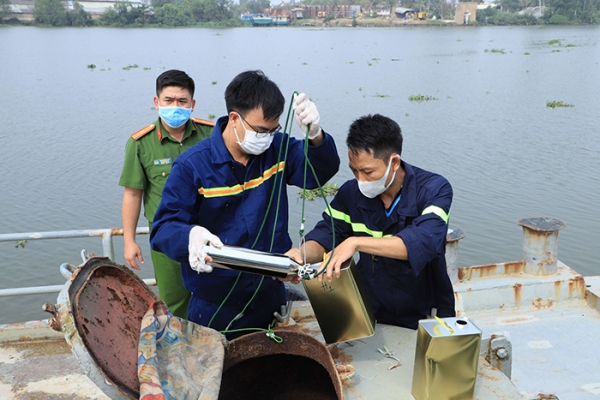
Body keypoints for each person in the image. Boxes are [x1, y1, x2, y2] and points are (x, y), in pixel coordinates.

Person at [150, 70, 340, 338]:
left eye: (273, 131)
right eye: (261, 131)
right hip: (216, 304)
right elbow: (163, 230)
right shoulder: (192, 166)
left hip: (270, 293)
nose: (266, 138)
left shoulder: (277, 150)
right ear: (234, 119)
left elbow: (318, 173)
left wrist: (316, 137)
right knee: (218, 373)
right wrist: (189, 235)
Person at [289, 114, 455, 329]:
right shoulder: (350, 193)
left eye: (368, 172)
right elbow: (326, 236)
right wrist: (299, 256)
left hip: (425, 311)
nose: (361, 180)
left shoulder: (434, 189)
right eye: (354, 170)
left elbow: (421, 243)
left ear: (394, 162)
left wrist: (355, 243)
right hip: (372, 308)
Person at [119, 70, 214, 319]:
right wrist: (129, 241)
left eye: (182, 101)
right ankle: (183, 349)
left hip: (211, 231)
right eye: (168, 100)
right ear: (156, 102)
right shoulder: (140, 143)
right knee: (174, 299)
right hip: (167, 236)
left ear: (192, 104)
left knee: (216, 292)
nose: (175, 106)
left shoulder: (213, 135)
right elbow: (132, 195)